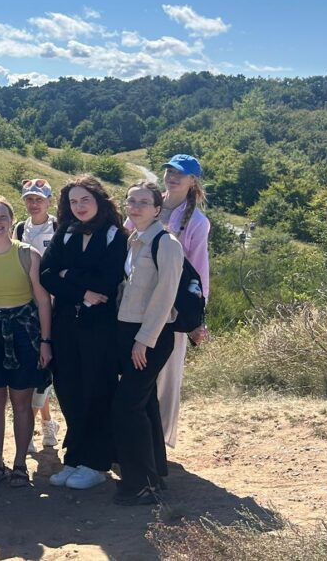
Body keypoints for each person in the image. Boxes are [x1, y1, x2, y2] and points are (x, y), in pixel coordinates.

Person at [39, 175, 128, 490]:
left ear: (99, 200)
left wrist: (68, 274)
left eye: (85, 200)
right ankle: (75, 457)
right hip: (66, 325)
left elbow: (107, 281)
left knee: (96, 391)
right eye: (73, 201)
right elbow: (46, 275)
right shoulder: (65, 232)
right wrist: (82, 291)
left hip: (100, 328)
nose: (79, 206)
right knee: (69, 390)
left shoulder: (116, 235)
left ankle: (97, 463)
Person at [0, 197, 53, 488]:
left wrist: (46, 341)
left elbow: (43, 301)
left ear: (11, 219)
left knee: (21, 402)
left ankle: (19, 465)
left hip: (24, 333)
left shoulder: (28, 254)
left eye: (3, 216)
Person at [129, 155, 210, 449]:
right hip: (134, 302)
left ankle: (158, 442)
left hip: (173, 308)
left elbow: (199, 271)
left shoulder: (197, 222)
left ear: (193, 180)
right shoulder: (147, 202)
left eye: (181, 173)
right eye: (169, 171)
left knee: (166, 375)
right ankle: (133, 437)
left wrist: (197, 319)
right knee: (133, 371)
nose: (172, 177)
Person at [113, 181, 183, 506]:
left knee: (127, 406)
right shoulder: (134, 240)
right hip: (129, 331)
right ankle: (156, 476)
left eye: (143, 202)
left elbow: (165, 295)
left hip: (151, 335)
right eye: (131, 201)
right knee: (145, 403)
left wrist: (143, 340)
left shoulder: (166, 243)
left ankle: (141, 484)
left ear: (157, 209)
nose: (136, 206)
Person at [15, 179, 61, 453]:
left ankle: (40, 423)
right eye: (29, 199)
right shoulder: (20, 228)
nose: (34, 204)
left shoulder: (58, 226)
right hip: (26, 306)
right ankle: (45, 423)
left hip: (54, 305)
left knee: (47, 363)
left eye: (39, 199)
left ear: (49, 201)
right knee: (35, 365)